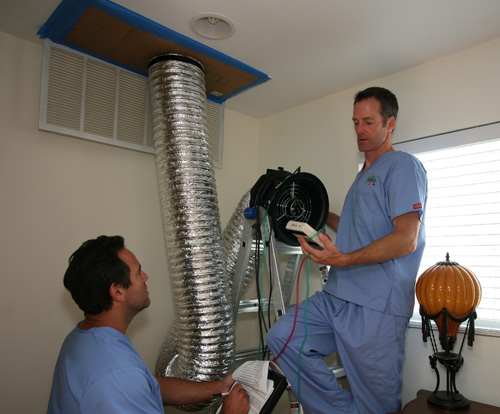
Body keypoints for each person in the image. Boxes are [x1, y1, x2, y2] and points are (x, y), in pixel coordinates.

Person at [267, 87, 428, 414]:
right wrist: (315, 211)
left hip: (376, 307)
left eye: (368, 122)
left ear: (390, 123)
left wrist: (344, 259)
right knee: (283, 338)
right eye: (355, 122)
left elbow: (406, 238)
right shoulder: (363, 176)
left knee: (377, 405)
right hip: (338, 295)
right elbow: (357, 229)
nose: (359, 130)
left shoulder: (403, 166)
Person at [48, 235, 249, 414]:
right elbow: (127, 382)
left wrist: (221, 386)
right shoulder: (117, 375)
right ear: (117, 292)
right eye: (138, 273)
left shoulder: (85, 337)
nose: (145, 278)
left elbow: (147, 385)